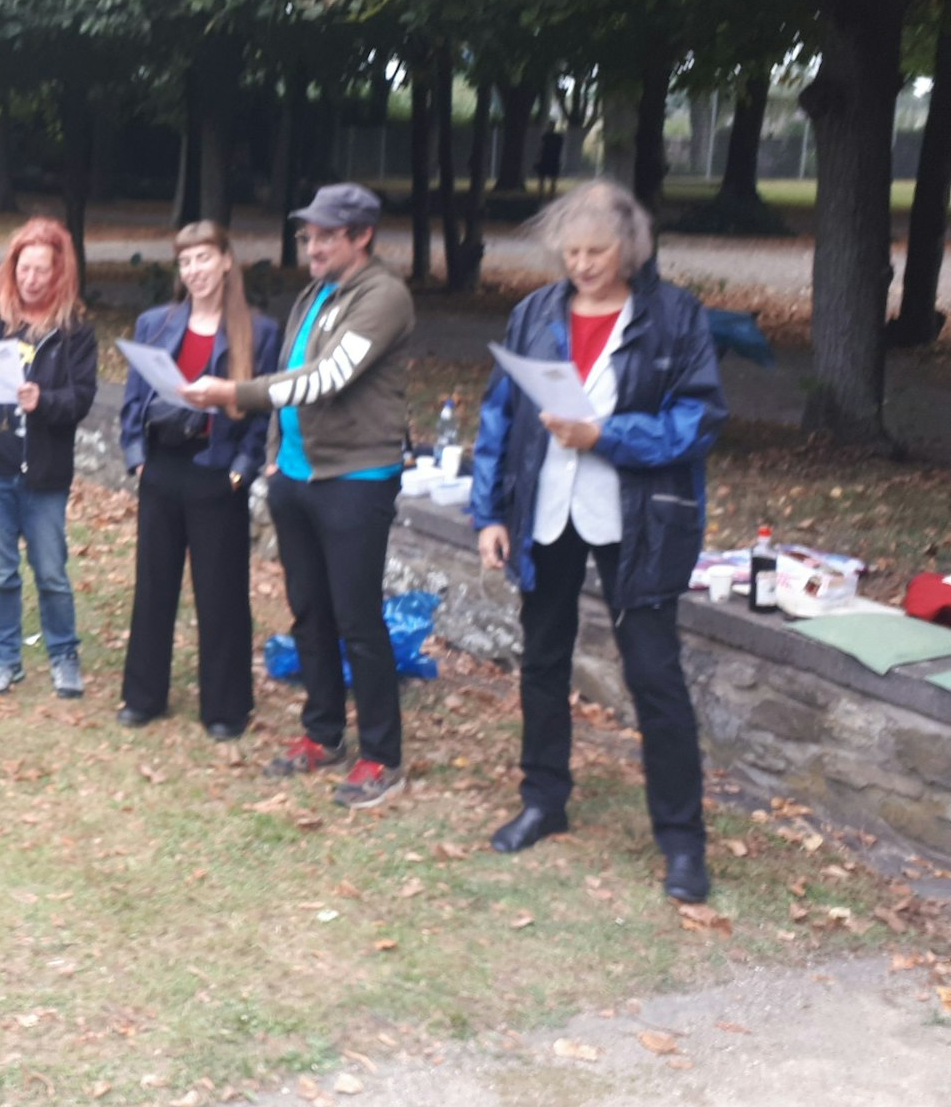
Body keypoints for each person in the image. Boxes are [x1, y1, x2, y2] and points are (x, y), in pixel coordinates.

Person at [467, 180, 726, 903]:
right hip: (546, 512)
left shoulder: (674, 317)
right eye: (571, 251)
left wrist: (606, 434)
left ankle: (681, 840)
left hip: (638, 519)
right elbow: (500, 416)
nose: (582, 264)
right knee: (542, 661)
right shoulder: (533, 314)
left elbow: (700, 420)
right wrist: (489, 513)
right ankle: (543, 799)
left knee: (654, 675)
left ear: (631, 248)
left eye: (597, 250)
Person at [186, 182, 416, 809]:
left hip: (355, 481)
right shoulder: (315, 294)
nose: (311, 246)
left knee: (357, 618)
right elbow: (294, 370)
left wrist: (236, 393)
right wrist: (271, 462)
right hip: (296, 477)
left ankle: (381, 755)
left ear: (361, 236)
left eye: (324, 235)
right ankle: (323, 734)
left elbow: (327, 378)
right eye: (308, 234)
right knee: (309, 612)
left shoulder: (384, 296)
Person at [116, 221, 279, 739]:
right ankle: (144, 696)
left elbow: (262, 413)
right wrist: (137, 457)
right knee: (154, 585)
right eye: (185, 262)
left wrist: (242, 470)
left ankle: (226, 708)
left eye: (204, 259)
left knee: (221, 593)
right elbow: (133, 398)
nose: (194, 271)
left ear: (227, 261)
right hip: (162, 465)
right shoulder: (155, 323)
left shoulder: (259, 330)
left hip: (217, 471)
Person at [0, 217, 99, 698]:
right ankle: (6, 657)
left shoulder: (74, 332)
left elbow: (83, 399)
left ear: (59, 273)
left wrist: (43, 400)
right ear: (12, 268)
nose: (31, 279)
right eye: (24, 268)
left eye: (41, 271)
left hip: (43, 472)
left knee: (50, 571)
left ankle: (63, 655)